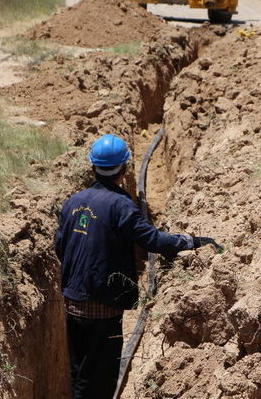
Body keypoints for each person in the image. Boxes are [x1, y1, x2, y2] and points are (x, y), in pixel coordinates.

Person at [54, 134, 214, 399]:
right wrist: (189, 241)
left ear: (93, 167)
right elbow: (151, 239)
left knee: (79, 370)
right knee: (101, 378)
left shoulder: (73, 202)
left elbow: (60, 246)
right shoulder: (121, 206)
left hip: (72, 301)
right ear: (124, 169)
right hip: (103, 306)